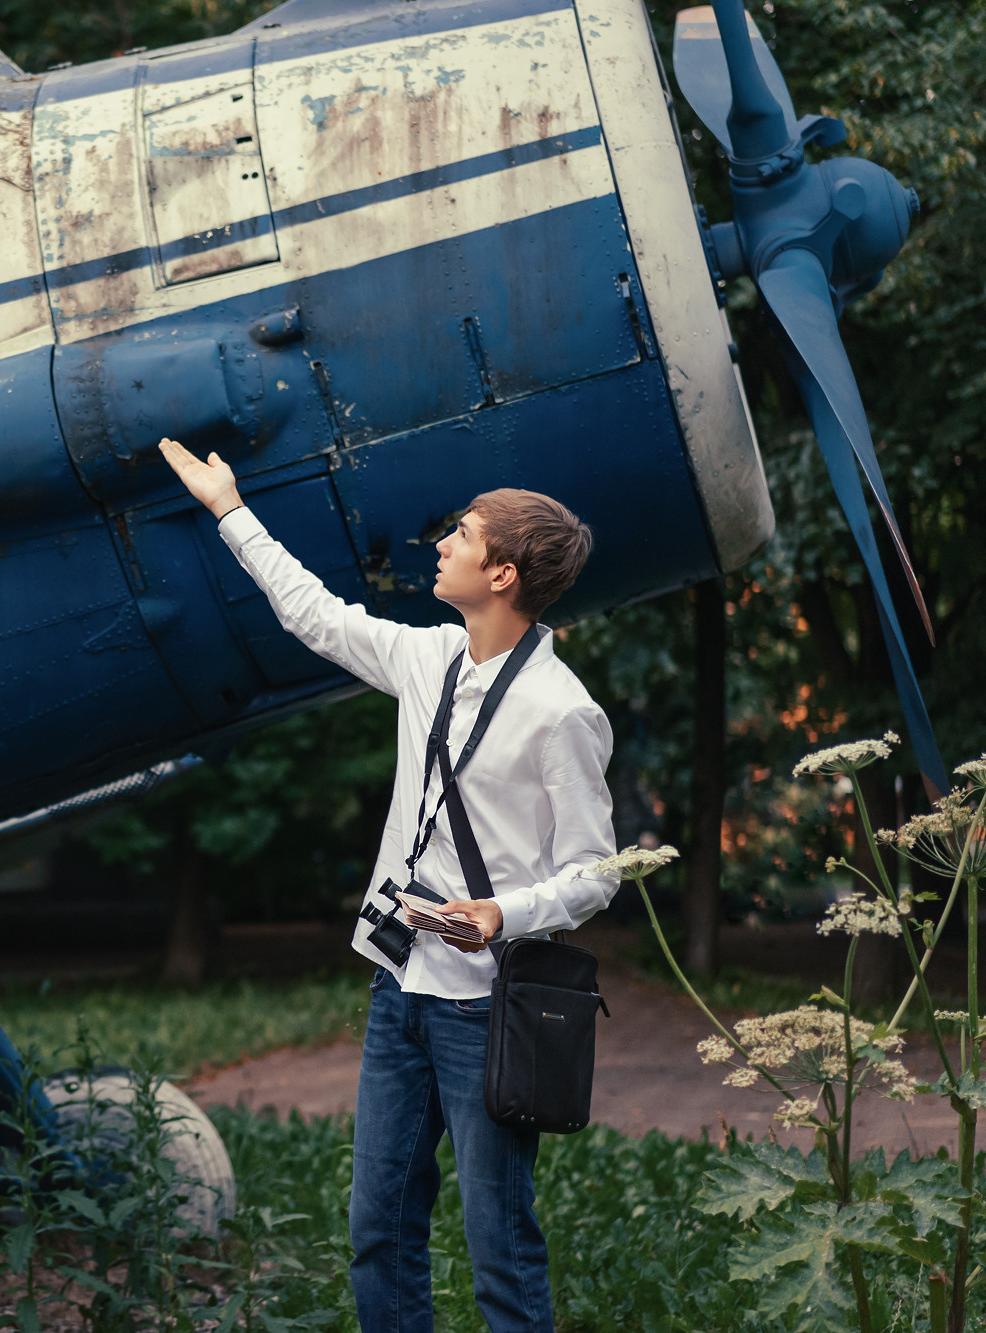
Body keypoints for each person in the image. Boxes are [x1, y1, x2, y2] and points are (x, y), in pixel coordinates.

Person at [159, 439, 619, 1333]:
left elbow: (596, 870)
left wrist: (505, 913)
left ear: (502, 573)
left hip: (488, 1008)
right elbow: (314, 615)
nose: (442, 543)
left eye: (462, 534)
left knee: (500, 1245)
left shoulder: (563, 710)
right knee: (378, 1231)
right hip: (398, 985)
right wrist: (228, 508)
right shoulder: (427, 658)